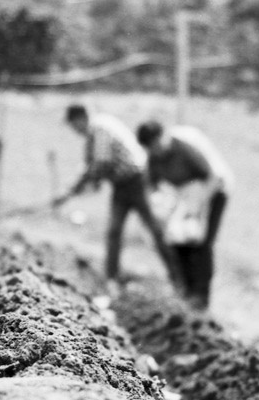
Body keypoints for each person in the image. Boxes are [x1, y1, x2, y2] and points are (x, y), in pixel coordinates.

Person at [53, 104, 180, 292]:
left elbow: (100, 163)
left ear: (80, 119)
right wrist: (76, 188)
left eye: (73, 125)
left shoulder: (100, 128)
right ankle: (111, 277)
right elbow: (92, 165)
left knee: (153, 228)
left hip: (135, 181)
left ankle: (177, 276)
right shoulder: (94, 133)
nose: (74, 130)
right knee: (114, 231)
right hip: (121, 184)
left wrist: (75, 189)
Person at [136, 119, 234, 310]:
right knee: (178, 240)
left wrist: (198, 209)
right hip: (185, 196)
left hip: (213, 191)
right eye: (150, 149)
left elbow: (213, 177)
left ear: (162, 137)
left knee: (202, 242)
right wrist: (161, 211)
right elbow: (152, 187)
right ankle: (185, 292)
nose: (155, 151)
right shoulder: (153, 157)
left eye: (156, 145)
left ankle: (201, 297)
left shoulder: (184, 147)